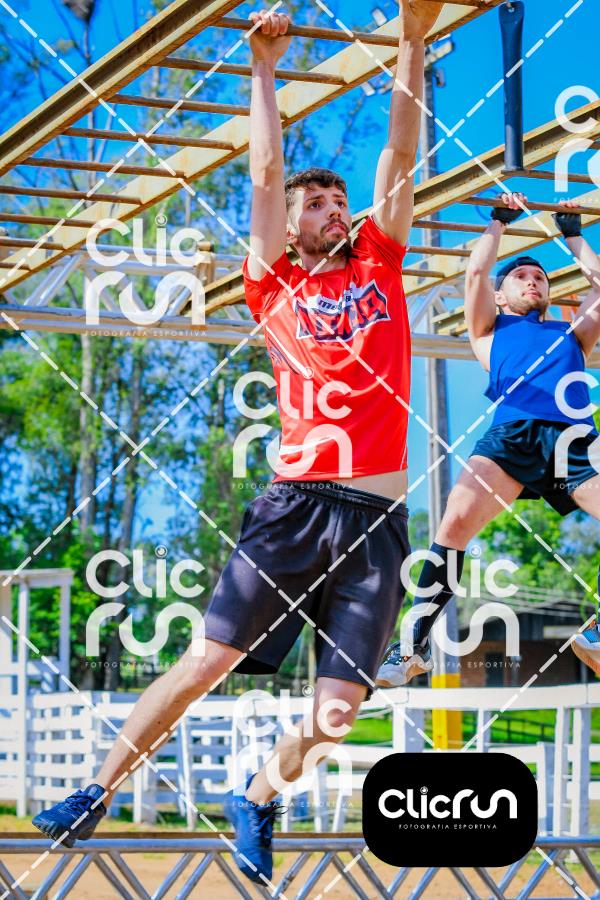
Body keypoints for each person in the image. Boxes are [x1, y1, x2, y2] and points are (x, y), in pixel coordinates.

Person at [32, 2, 444, 886]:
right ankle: (96, 791)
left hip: (377, 523)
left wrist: (411, 39)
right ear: (290, 227)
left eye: (337, 201)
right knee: (207, 660)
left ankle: (257, 796)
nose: (331, 210)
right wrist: (262, 65)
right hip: (297, 506)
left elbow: (400, 155)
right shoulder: (273, 283)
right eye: (314, 203)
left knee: (339, 711)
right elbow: (263, 170)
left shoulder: (380, 262)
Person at [377, 193, 600, 688]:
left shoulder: (572, 335)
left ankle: (599, 632)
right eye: (521, 276)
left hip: (573, 438)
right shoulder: (489, 331)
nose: (533, 280)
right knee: (453, 523)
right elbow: (476, 274)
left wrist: (573, 234)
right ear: (501, 296)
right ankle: (413, 648)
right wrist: (498, 222)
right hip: (512, 435)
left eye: (540, 277)